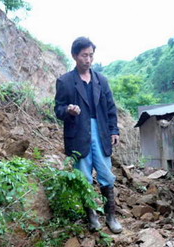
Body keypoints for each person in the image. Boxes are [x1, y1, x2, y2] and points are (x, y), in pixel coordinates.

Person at [54, 37, 122, 234]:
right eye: (84, 55)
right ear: (75, 56)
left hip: (100, 132)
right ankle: (91, 217)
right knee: (84, 177)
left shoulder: (101, 80)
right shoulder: (65, 81)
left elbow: (110, 108)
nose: (88, 59)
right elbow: (58, 109)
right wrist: (68, 110)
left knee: (106, 174)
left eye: (91, 55)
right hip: (79, 133)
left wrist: (114, 130)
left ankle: (111, 216)